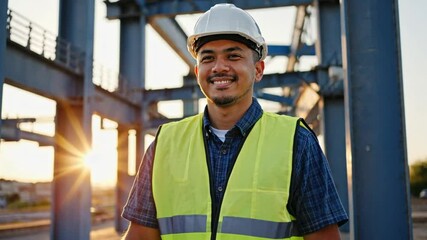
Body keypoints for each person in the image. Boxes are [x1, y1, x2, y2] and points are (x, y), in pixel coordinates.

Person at [121, 3, 348, 240]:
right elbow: (139, 235)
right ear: (198, 72)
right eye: (208, 58)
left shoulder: (296, 142)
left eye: (234, 56)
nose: (219, 67)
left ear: (258, 70)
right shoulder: (164, 143)